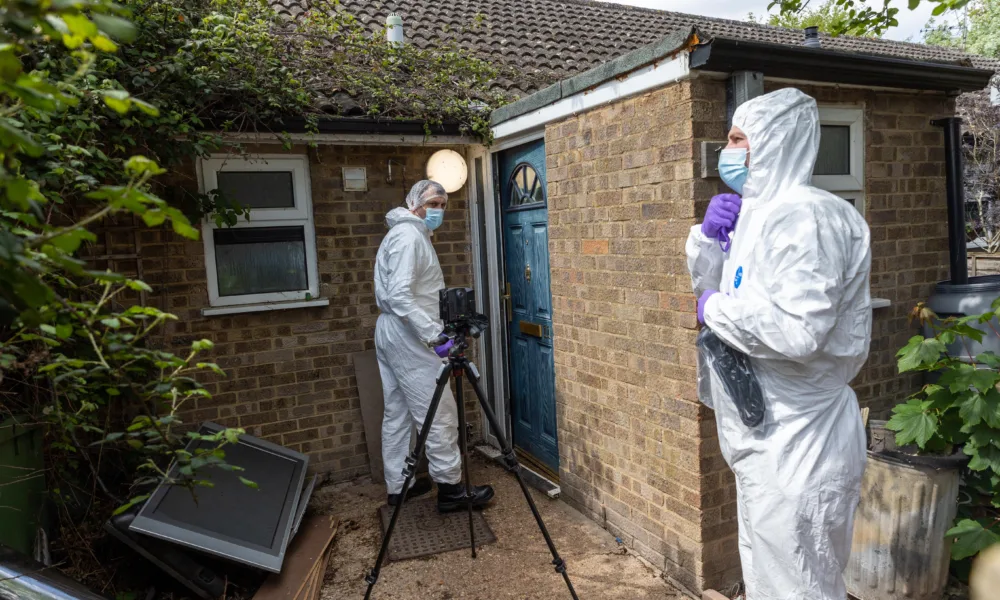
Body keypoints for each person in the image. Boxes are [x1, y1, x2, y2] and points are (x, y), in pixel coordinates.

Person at [686, 88, 872, 600]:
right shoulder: (760, 214)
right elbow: (721, 283)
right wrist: (707, 238)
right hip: (770, 437)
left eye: (738, 139)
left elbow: (799, 331)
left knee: (799, 582)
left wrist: (713, 309)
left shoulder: (804, 217)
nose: (728, 150)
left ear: (773, 143)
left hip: (801, 442)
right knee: (772, 572)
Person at [374, 180, 494, 512]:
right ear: (414, 203)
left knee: (397, 411)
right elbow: (400, 295)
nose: (439, 210)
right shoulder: (410, 237)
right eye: (433, 203)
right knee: (439, 409)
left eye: (443, 204)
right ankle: (451, 489)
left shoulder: (406, 234)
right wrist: (436, 336)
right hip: (409, 334)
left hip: (395, 330)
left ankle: (400, 486)